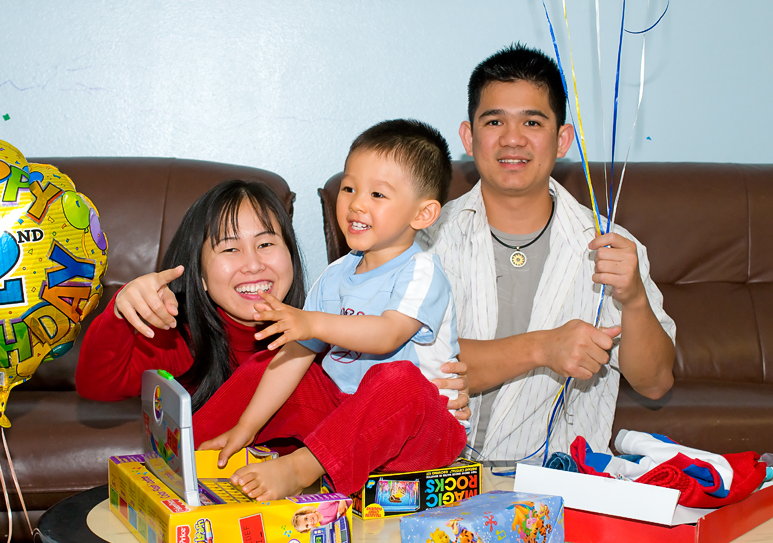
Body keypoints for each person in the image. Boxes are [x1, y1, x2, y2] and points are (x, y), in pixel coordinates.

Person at [418, 43, 676, 463]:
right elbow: (416, 370)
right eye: (494, 120)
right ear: (469, 136)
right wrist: (543, 348)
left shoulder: (609, 246)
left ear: (562, 139)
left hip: (562, 483)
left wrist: (633, 300)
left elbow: (655, 383)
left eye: (532, 122)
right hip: (439, 475)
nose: (512, 139)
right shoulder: (426, 239)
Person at [74, 180, 470, 448]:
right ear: (199, 274)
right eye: (229, 249)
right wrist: (122, 310)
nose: (252, 265)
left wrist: (444, 393)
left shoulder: (327, 330)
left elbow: (397, 359)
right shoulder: (180, 340)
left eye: (266, 244)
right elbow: (97, 385)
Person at [199, 119, 467, 501]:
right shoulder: (337, 273)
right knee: (276, 361)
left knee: (399, 381)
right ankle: (191, 451)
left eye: (377, 194)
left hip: (422, 434)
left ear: (422, 215)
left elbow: (388, 334)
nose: (356, 203)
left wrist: (311, 323)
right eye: (349, 188)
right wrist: (247, 425)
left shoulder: (422, 271)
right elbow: (297, 354)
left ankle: (300, 468)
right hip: (345, 421)